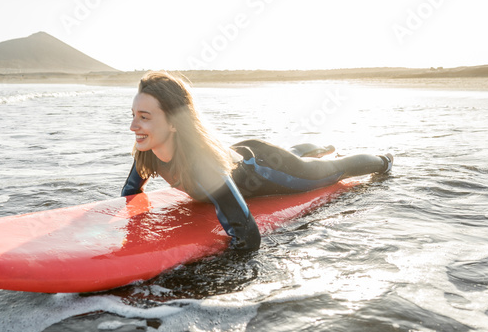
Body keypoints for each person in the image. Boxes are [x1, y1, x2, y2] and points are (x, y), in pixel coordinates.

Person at [122, 72, 393, 252]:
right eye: (133, 115)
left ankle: (383, 161)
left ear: (173, 123)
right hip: (242, 154)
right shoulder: (146, 150)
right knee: (292, 156)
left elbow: (248, 235)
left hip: (266, 169)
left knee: (332, 171)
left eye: (144, 117)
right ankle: (316, 147)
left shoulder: (204, 167)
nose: (134, 125)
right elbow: (130, 194)